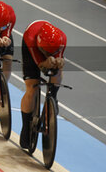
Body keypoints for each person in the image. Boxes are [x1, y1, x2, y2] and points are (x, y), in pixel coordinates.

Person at [20, 20, 67, 148]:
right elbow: (41, 66)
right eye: (45, 52)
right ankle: (26, 126)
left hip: (51, 46)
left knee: (58, 67)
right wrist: (46, 62)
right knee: (32, 87)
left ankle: (53, 97)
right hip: (32, 51)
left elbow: (58, 60)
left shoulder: (62, 39)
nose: (47, 55)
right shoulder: (30, 38)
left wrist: (58, 62)